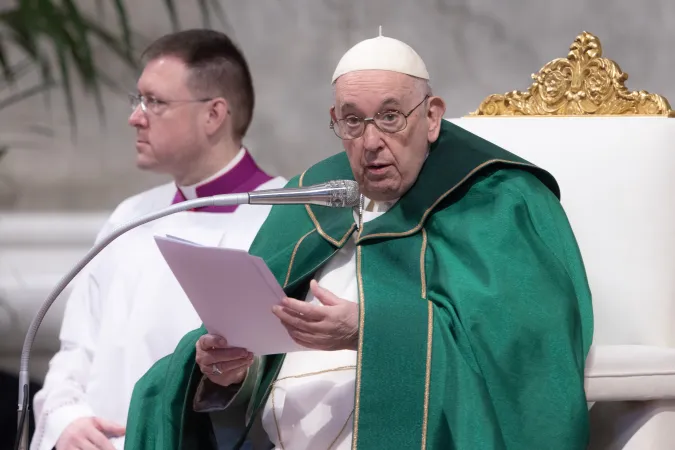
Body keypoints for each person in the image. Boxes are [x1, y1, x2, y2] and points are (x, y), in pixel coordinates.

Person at [124, 31, 593, 450]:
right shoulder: (314, 198)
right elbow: (254, 369)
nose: (370, 142)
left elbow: (526, 353)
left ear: (432, 117)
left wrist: (369, 331)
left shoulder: (496, 201)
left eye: (390, 117)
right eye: (352, 121)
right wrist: (231, 374)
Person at [31, 29, 287, 450]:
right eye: (138, 100)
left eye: (155, 102)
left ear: (213, 114)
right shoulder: (130, 216)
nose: (136, 116)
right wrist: (65, 420)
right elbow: (75, 348)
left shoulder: (280, 218)